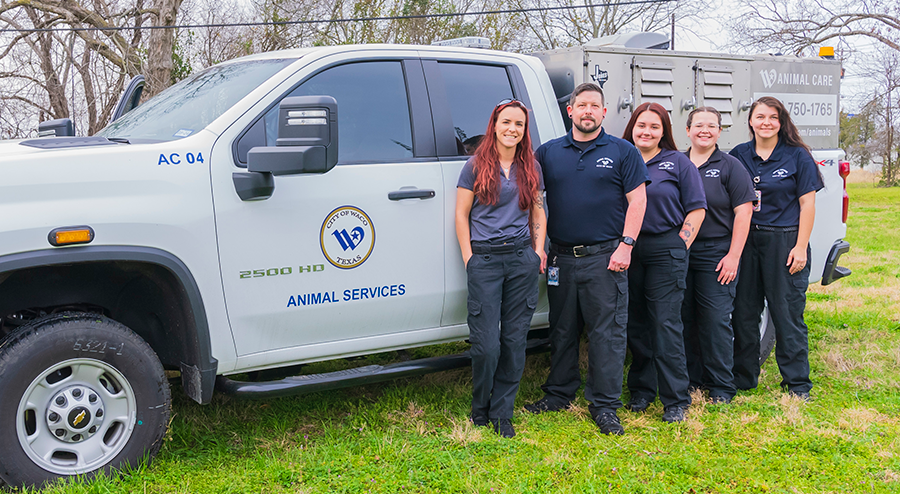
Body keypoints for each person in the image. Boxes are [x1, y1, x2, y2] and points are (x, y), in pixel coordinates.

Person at [524, 83, 648, 436]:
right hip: (561, 258)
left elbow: (637, 201)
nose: (588, 111)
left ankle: (605, 405)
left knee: (606, 334)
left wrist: (626, 245)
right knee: (562, 329)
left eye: (595, 105)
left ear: (604, 112)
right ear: (570, 111)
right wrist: (540, 245)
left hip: (605, 257)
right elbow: (534, 199)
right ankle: (559, 393)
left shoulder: (623, 152)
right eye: (582, 105)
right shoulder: (548, 153)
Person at [455, 99, 546, 438]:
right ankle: (480, 408)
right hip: (486, 260)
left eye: (519, 124)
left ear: (524, 131)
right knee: (486, 344)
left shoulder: (531, 167)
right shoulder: (475, 166)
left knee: (514, 341)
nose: (512, 129)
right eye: (506, 122)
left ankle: (502, 412)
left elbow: (538, 212)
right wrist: (469, 258)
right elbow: (461, 215)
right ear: (494, 125)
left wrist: (537, 252)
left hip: (521, 260)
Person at [729, 96, 823, 399]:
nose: (766, 122)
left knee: (786, 314)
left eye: (772, 117)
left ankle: (797, 383)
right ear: (750, 121)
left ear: (781, 123)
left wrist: (801, 247)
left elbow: (808, 204)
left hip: (784, 240)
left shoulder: (797, 156)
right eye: (760, 117)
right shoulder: (739, 155)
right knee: (743, 312)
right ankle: (743, 377)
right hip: (747, 240)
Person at [623, 102, 706, 423]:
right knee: (636, 322)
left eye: (654, 127)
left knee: (666, 323)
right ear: (632, 127)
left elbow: (697, 208)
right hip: (627, 249)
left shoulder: (678, 163)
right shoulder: (622, 157)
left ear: (664, 132)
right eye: (641, 125)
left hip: (665, 249)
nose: (646, 132)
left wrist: (680, 244)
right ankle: (643, 390)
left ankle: (675, 398)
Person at [681, 107, 755, 404]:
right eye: (699, 125)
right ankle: (691, 380)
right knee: (683, 318)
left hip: (716, 252)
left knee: (714, 320)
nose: (705, 130)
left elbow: (744, 212)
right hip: (679, 251)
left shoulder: (730, 166)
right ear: (687, 130)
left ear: (719, 132)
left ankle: (722, 385)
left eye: (712, 126)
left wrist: (734, 255)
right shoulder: (676, 162)